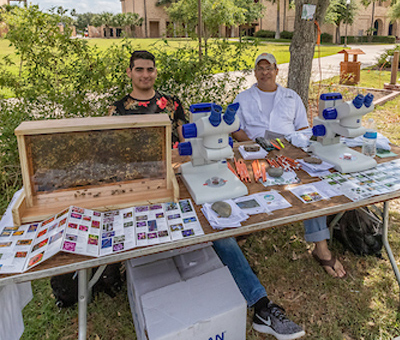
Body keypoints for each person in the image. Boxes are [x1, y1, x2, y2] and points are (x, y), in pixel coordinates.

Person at [111, 50, 305, 340]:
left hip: (177, 176)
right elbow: (115, 151)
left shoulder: (171, 103)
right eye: (139, 70)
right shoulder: (118, 110)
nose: (145, 75)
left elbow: (187, 141)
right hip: (139, 180)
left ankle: (261, 304)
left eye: (149, 69)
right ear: (129, 73)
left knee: (220, 227)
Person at [233, 52, 347, 279]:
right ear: (255, 72)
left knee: (310, 186)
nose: (265, 72)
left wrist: (290, 149)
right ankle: (244, 228)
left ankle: (320, 245)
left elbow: (303, 128)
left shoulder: (291, 97)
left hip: (288, 150)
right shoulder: (242, 98)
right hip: (254, 150)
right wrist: (251, 144)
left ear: (277, 71)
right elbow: (235, 127)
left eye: (269, 67)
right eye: (260, 68)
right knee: (242, 179)